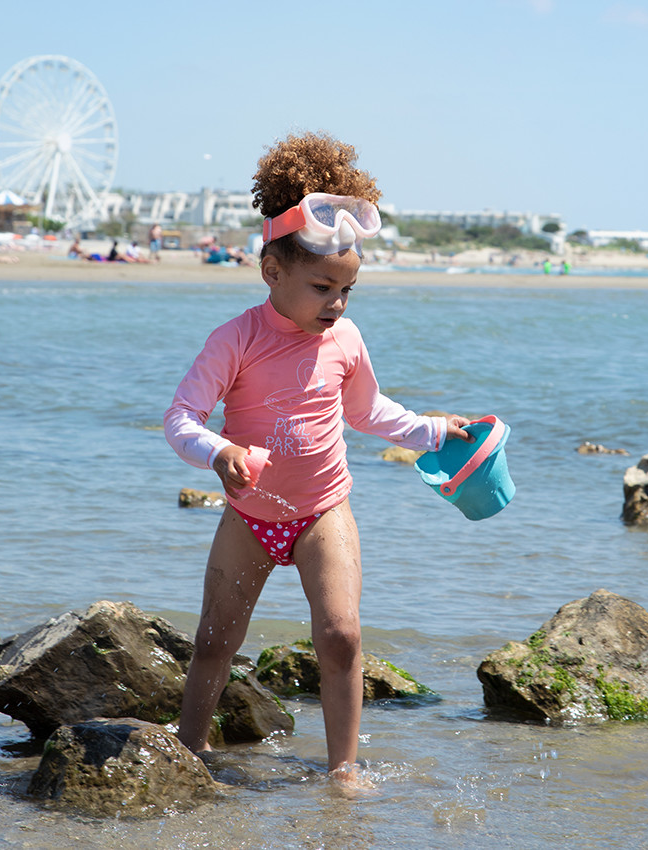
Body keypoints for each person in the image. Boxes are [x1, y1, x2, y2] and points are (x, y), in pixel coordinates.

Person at [164, 131, 472, 786]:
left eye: (348, 290)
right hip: (249, 516)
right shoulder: (236, 340)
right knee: (216, 641)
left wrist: (435, 431)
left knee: (340, 637)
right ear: (273, 272)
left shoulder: (346, 339)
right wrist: (218, 452)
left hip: (321, 511)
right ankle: (189, 753)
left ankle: (342, 771)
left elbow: (368, 412)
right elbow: (181, 418)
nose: (336, 303)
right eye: (322, 286)